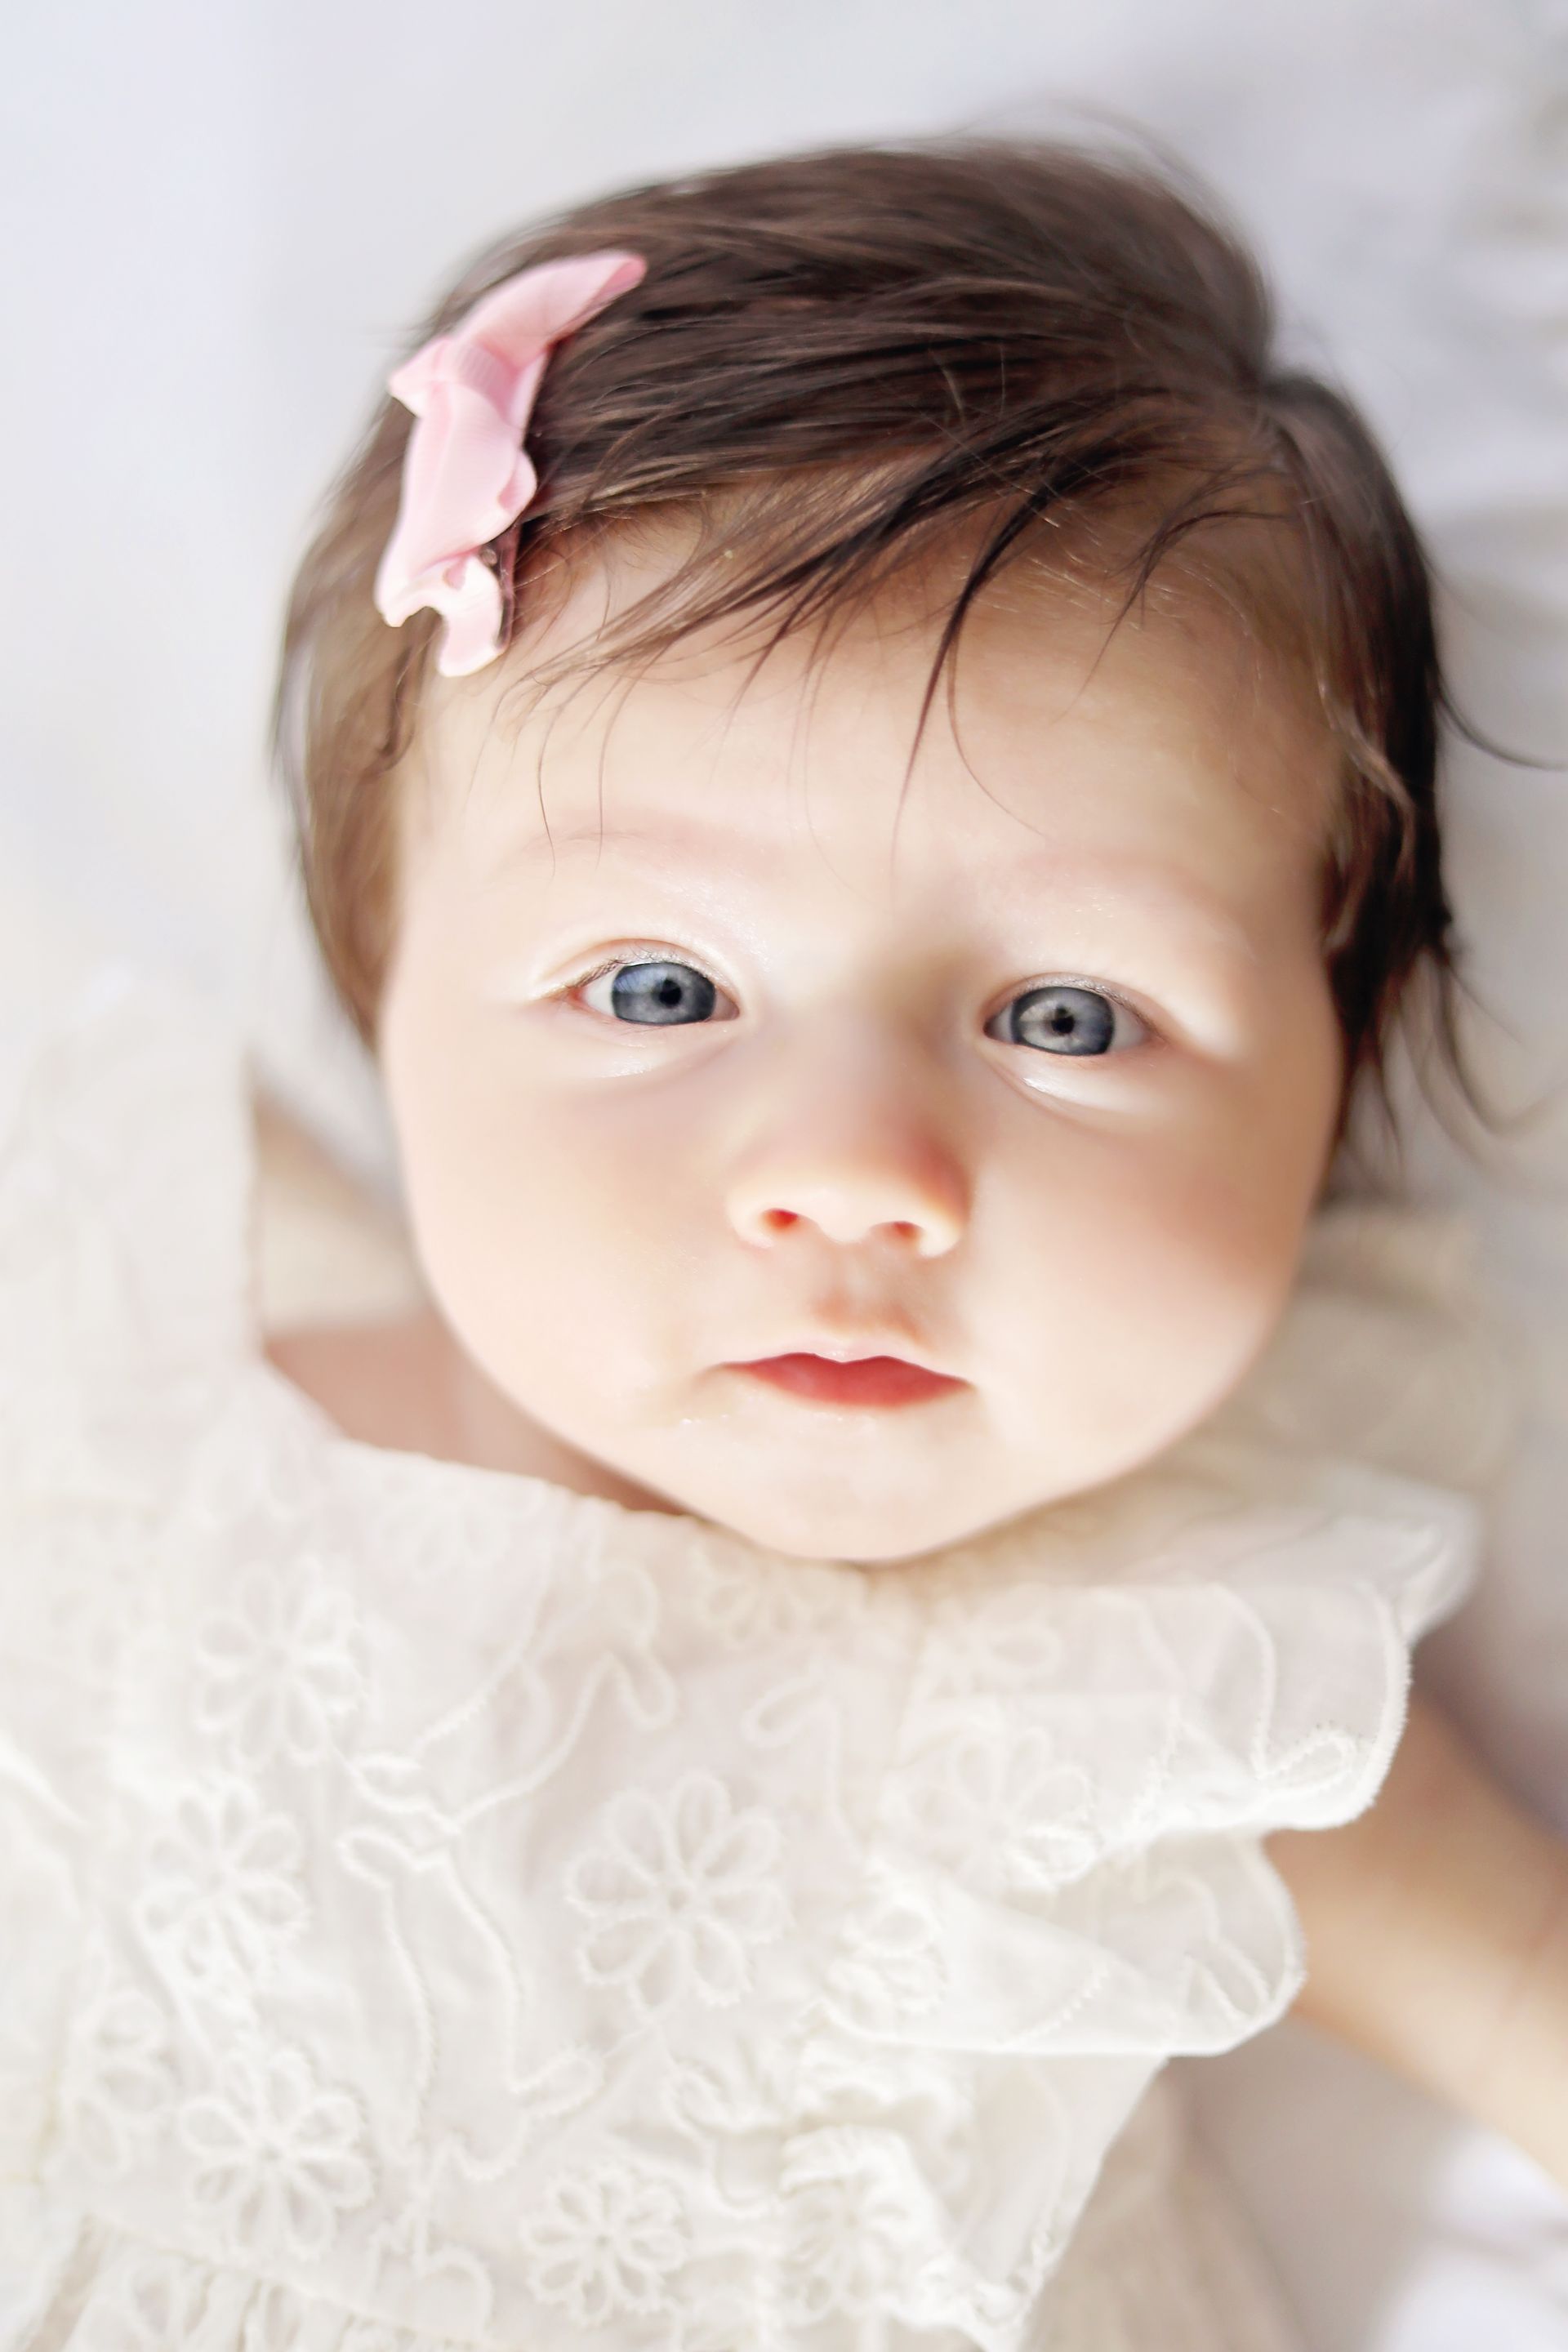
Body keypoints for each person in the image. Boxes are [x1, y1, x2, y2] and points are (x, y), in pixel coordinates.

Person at [2, 137, 1563, 2352]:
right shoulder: (120, 1368)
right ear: (385, 1003)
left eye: (1066, 1017)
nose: (854, 1175)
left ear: (1335, 1073)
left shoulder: (1177, 1662)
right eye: (658, 993)